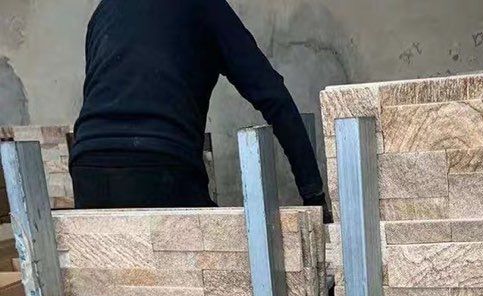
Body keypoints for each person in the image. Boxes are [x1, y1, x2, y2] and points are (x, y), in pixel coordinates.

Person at [70, 0, 328, 216]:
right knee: (214, 254)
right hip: (161, 164)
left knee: (111, 261)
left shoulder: (104, 10)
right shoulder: (205, 6)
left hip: (88, 165)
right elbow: (272, 95)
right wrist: (313, 194)